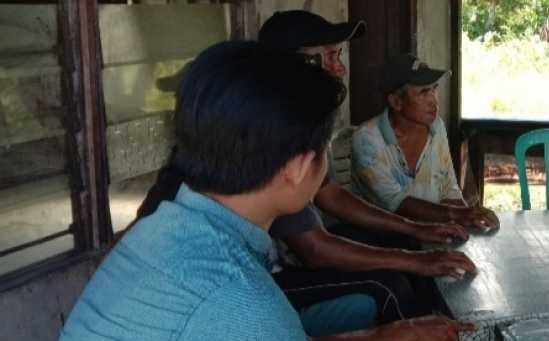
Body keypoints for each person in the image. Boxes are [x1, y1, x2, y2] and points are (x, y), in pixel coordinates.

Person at [49, 41, 474, 341]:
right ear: (298, 167)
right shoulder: (241, 302)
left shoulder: (157, 231)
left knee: (365, 308)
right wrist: (405, 326)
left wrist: (403, 328)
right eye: (324, 149)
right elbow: (252, 333)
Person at [137, 10, 476, 320]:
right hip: (249, 278)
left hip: (270, 261)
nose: (340, 68)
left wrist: (413, 230)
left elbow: (330, 196)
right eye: (331, 56)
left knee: (400, 247)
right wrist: (415, 261)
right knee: (389, 284)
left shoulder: (290, 127)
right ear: (295, 66)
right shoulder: (267, 138)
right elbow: (314, 248)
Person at [351, 54, 500, 231]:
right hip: (380, 239)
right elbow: (397, 204)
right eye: (423, 92)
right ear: (396, 102)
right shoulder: (367, 139)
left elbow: (448, 188)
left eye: (434, 89)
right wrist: (459, 215)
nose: (434, 101)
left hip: (432, 233)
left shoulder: (436, 127)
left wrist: (470, 219)